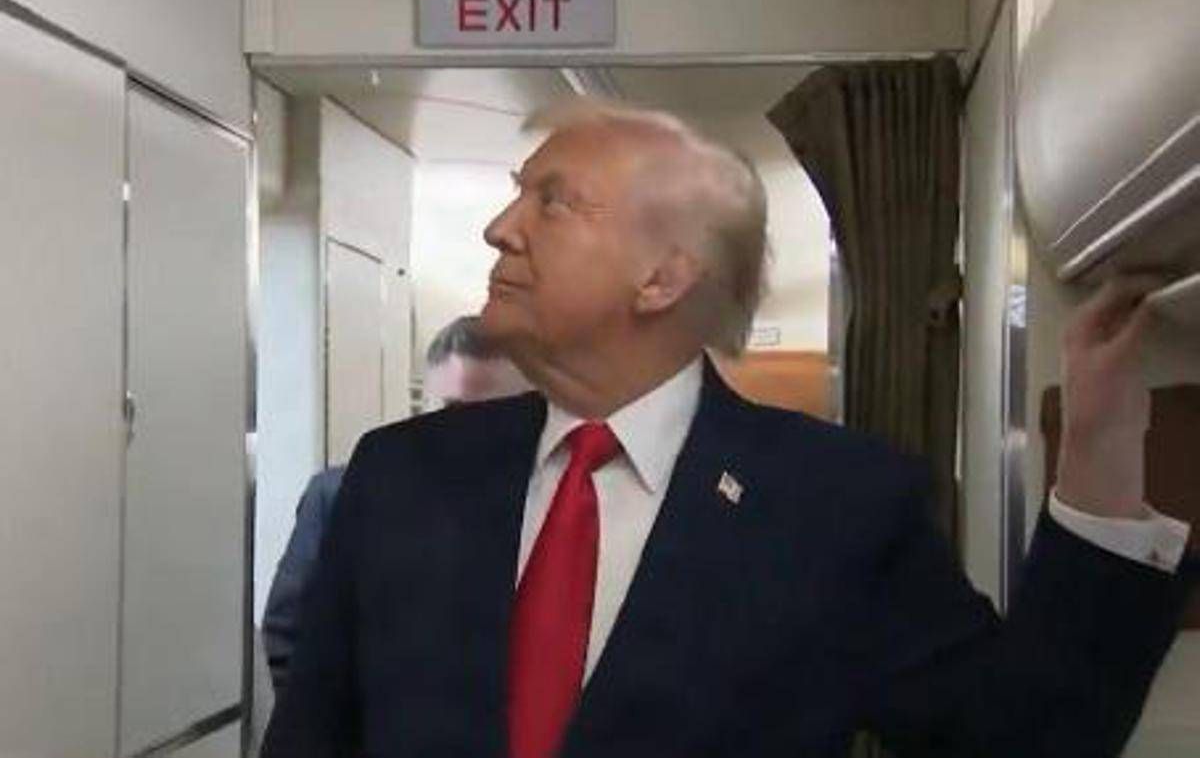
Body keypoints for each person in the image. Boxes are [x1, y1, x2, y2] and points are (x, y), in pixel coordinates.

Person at [263, 99, 1194, 758]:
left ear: (662, 278)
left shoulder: (835, 506)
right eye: (518, 193)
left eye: (551, 200)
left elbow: (1026, 739)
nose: (501, 228)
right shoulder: (400, 477)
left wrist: (1100, 455)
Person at [261, 315, 530, 693]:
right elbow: (288, 635)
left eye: (496, 413)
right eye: (453, 410)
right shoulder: (342, 494)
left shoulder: (556, 508)